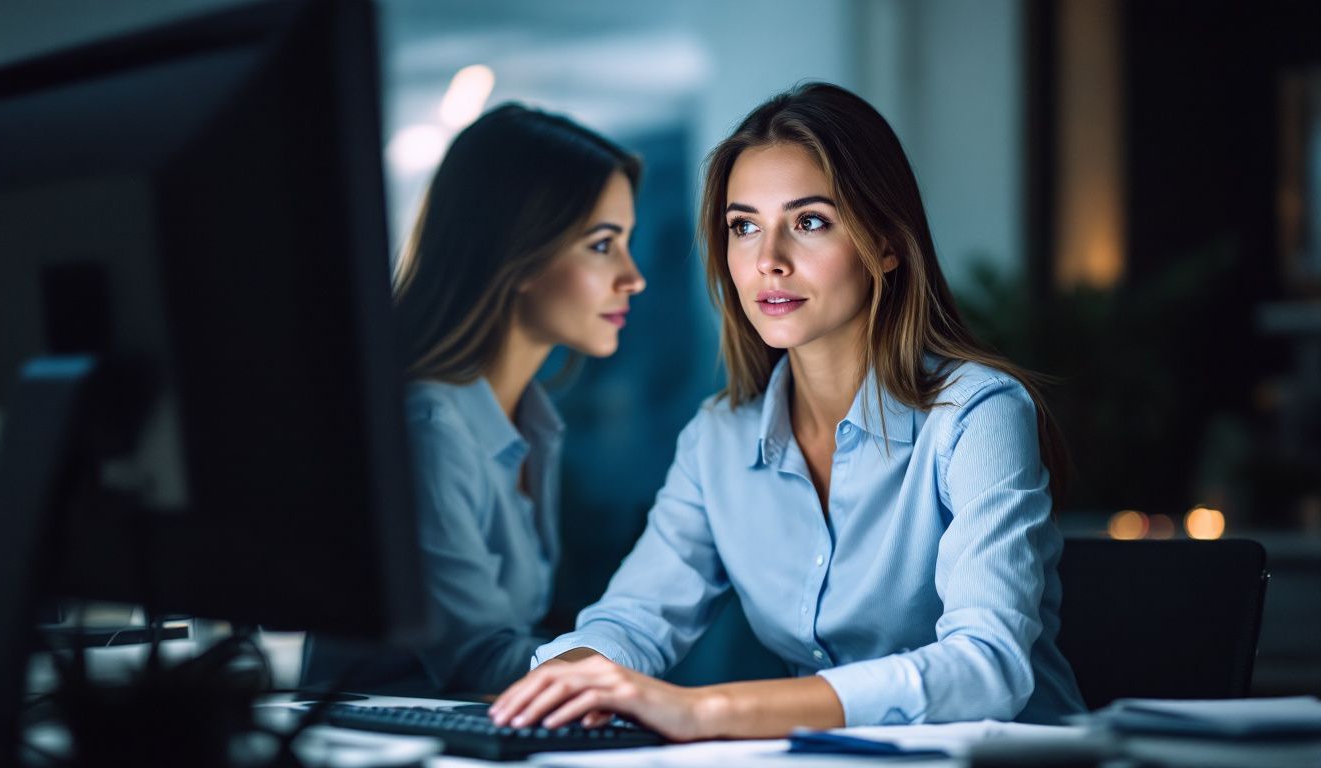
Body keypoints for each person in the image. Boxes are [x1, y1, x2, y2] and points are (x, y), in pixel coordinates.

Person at [488, 83, 1085, 738]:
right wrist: (565, 679)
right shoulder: (720, 438)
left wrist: (705, 709)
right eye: (743, 227)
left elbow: (986, 667)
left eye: (809, 222)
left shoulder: (977, 414)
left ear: (885, 243)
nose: (768, 261)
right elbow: (634, 617)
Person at [303, 104, 645, 695]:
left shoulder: (535, 420)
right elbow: (478, 662)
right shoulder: (428, 427)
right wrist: (643, 672)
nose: (632, 277)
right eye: (601, 245)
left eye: (626, 243)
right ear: (520, 251)